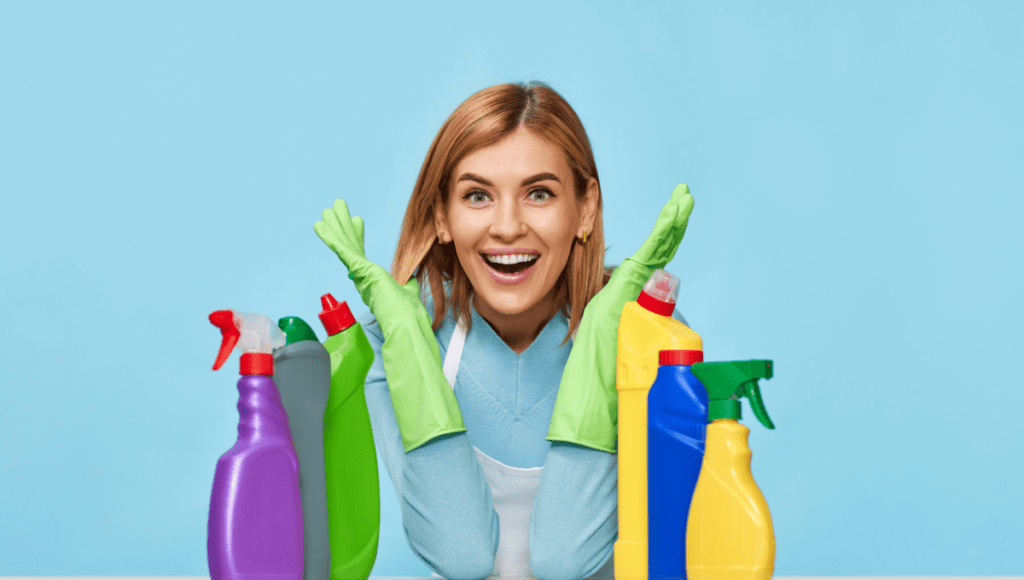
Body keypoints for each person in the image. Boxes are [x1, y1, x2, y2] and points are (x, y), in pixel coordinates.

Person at [315, 82, 694, 580]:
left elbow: (567, 560)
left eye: (539, 193)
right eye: (477, 195)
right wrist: (407, 338)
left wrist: (601, 334)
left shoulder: (648, 338)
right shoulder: (395, 342)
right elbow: (459, 555)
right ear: (441, 216)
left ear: (584, 208)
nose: (508, 227)